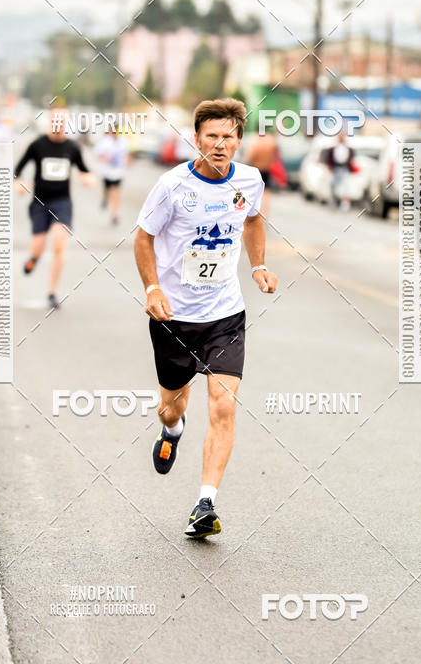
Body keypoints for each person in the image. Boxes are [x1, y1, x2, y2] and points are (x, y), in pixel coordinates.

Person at [134, 98, 277, 539]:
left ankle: (205, 502)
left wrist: (257, 266)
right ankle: (172, 430)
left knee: (224, 404)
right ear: (197, 139)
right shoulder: (173, 185)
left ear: (239, 140)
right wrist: (153, 289)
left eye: (228, 136)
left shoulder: (250, 180)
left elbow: (253, 221)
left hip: (225, 315)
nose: (220, 144)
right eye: (211, 136)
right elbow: (143, 239)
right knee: (171, 406)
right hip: (174, 317)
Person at [13, 108, 95, 310]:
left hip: (62, 202)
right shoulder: (37, 145)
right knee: (38, 247)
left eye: (62, 123)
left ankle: (52, 292)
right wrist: (19, 184)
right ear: (50, 123)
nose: (58, 127)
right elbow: (17, 170)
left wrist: (88, 178)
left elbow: (86, 171)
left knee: (59, 244)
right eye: (55, 122)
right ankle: (33, 258)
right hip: (39, 203)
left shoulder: (73, 148)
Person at [94, 125, 130, 223]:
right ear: (109, 131)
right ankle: (105, 198)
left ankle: (115, 213)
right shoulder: (104, 142)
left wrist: (127, 162)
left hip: (118, 171)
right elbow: (97, 154)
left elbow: (127, 154)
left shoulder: (123, 141)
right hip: (106, 171)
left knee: (115, 191)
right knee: (106, 189)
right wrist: (104, 157)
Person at [245, 129, 278, 217]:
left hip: (255, 168)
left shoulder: (255, 141)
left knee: (254, 192)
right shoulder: (271, 141)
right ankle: (265, 214)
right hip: (267, 168)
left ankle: (255, 213)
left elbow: (251, 155)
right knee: (266, 192)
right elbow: (275, 156)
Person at [325, 130, 354, 211]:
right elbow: (329, 159)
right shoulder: (333, 148)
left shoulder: (348, 149)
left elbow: (351, 159)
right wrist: (330, 167)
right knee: (333, 186)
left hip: (344, 168)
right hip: (335, 168)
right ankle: (333, 202)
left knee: (345, 187)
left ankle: (345, 204)